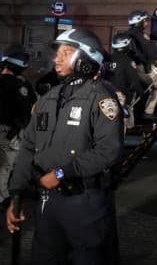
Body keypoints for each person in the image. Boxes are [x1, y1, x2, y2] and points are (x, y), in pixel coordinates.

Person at [6, 28, 123, 264]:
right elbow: (28, 146)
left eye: (66, 52)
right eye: (57, 53)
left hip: (86, 203)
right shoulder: (49, 98)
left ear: (85, 59)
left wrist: (61, 173)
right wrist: (16, 195)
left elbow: (109, 151)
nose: (57, 58)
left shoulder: (102, 98)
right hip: (48, 202)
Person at [0, 45, 37, 203]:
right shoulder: (19, 86)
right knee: (6, 166)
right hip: (9, 133)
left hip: (8, 130)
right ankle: (3, 198)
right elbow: (29, 108)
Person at [105, 33, 148, 129]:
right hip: (123, 96)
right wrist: (142, 93)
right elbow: (134, 81)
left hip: (106, 94)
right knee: (126, 123)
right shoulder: (127, 61)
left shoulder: (106, 59)